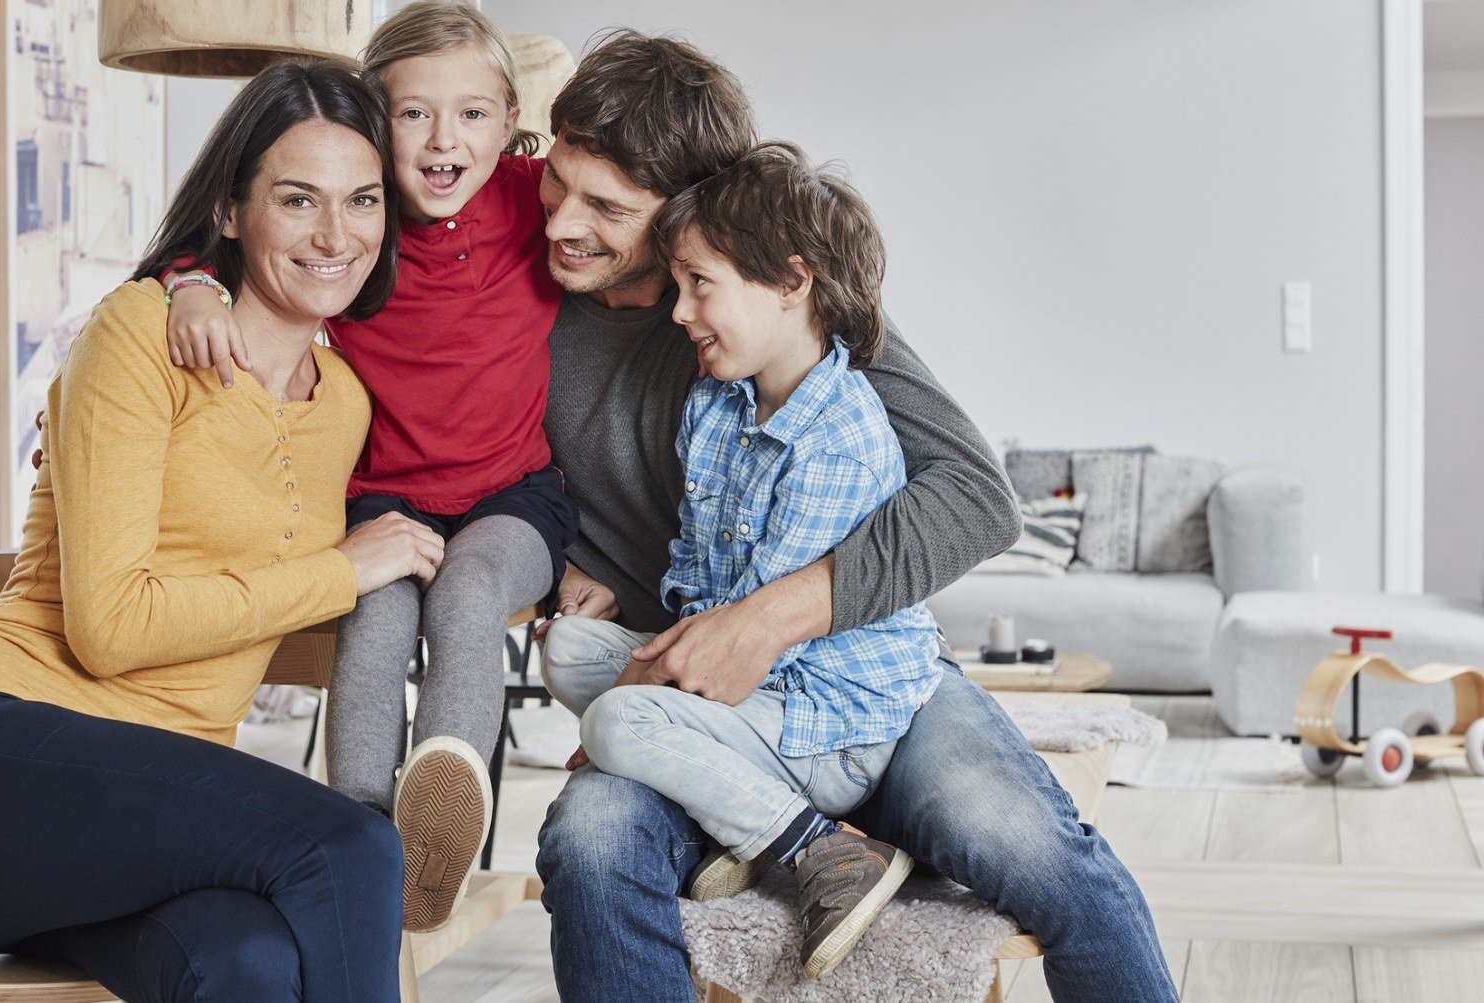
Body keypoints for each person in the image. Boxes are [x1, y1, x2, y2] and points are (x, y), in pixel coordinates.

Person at [529, 30, 1180, 1002]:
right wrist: (557, 556)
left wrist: (767, 618)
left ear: (686, 215)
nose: (559, 225)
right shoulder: (513, 286)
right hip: (681, 678)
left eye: (606, 208)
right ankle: (795, 838)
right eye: (556, 181)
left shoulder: (774, 305)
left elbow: (972, 493)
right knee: (586, 839)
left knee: (1025, 839)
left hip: (853, 671)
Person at [0, 58, 444, 1003]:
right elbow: (110, 627)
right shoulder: (142, 331)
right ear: (230, 210)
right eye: (299, 199)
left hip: (146, 821)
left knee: (244, 963)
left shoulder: (343, 400)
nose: (336, 234)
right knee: (348, 841)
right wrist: (341, 571)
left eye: (363, 201)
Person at [159, 1, 576, 933]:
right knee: (377, 618)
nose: (443, 139)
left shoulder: (534, 198)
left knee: (469, 596)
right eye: (414, 113)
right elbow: (217, 237)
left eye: (472, 113)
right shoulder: (357, 223)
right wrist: (189, 284)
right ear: (373, 126)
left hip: (515, 494)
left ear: (510, 124)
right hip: (380, 501)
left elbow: (630, 207)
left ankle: (439, 830)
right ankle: (357, 828)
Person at [543, 140, 942, 981]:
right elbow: (695, 562)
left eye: (700, 286)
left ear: (792, 283)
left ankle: (823, 849)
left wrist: (641, 698)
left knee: (617, 723)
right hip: (747, 693)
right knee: (570, 650)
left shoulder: (840, 439)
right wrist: (642, 664)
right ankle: (747, 818)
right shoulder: (717, 402)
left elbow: (754, 640)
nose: (680, 311)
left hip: (826, 719)